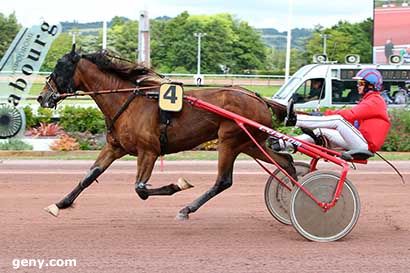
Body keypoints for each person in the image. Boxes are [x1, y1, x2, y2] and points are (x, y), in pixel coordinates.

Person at [270, 68, 391, 153]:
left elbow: (350, 115)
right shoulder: (369, 100)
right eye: (358, 83)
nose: (357, 85)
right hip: (359, 140)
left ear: (371, 85)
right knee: (320, 131)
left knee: (339, 120)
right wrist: (321, 116)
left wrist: (324, 114)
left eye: (361, 83)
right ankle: (283, 143)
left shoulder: (375, 101)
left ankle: (295, 119)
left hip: (364, 145)